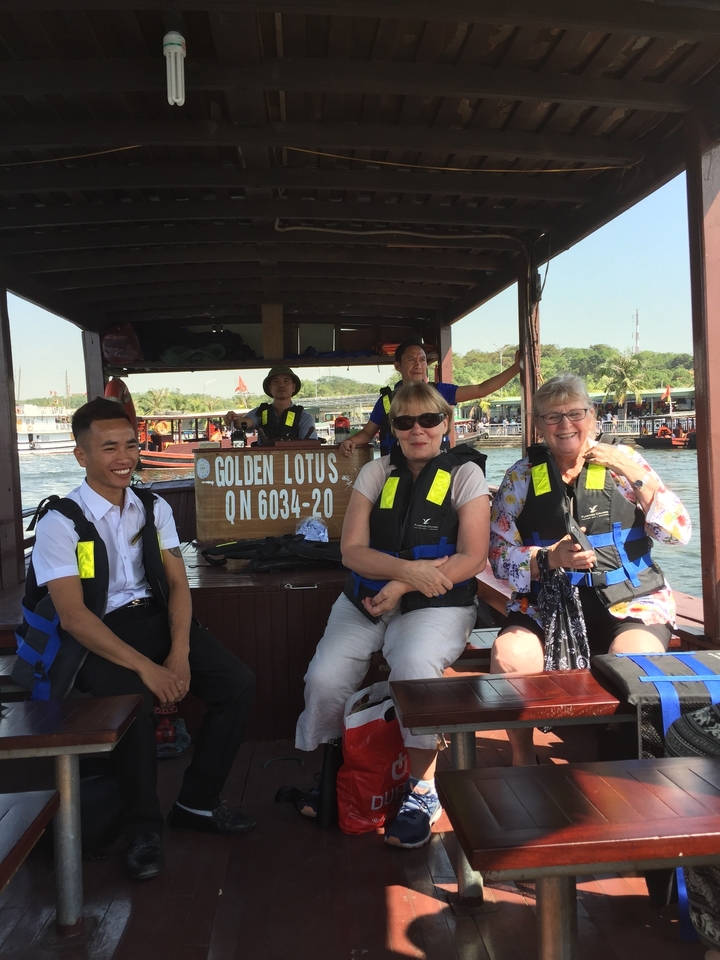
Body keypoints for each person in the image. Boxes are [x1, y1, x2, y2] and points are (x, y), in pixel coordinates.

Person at [21, 398, 257, 880]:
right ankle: (142, 828)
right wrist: (150, 671)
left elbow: (175, 584)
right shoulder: (58, 523)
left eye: (130, 444)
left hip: (153, 616)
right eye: (109, 447)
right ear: (81, 456)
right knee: (135, 706)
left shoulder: (153, 507)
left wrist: (181, 652)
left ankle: (197, 802)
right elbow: (73, 617)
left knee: (237, 683)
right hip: (96, 634)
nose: (124, 456)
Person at [296, 382, 490, 848]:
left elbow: (474, 556)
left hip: (437, 603)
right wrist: (403, 573)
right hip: (367, 599)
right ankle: (336, 766)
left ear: (446, 424)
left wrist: (407, 583)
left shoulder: (465, 475)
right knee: (324, 677)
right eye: (404, 422)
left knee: (413, 667)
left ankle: (423, 789)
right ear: (393, 429)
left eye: (428, 420)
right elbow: (352, 551)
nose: (417, 430)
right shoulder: (376, 473)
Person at [489, 373, 691, 766]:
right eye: (553, 417)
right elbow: (497, 554)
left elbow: (677, 532)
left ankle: (631, 763)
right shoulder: (521, 476)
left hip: (628, 600)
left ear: (593, 416)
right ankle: (522, 755)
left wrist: (632, 472)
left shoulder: (626, 463)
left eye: (575, 413)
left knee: (635, 660)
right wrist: (548, 558)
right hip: (549, 603)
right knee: (510, 654)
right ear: (539, 425)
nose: (565, 425)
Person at [338, 339, 520, 458]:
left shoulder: (439, 392)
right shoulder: (386, 401)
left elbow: (481, 390)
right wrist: (350, 441)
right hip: (396, 471)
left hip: (435, 468)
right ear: (397, 366)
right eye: (411, 360)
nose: (418, 365)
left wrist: (516, 368)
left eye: (423, 360)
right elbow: (368, 433)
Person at [228, 366, 317, 445]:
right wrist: (233, 419)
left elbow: (311, 448)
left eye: (286, 381)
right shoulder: (261, 412)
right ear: (270, 388)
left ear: (293, 387)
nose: (281, 385)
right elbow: (244, 423)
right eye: (276, 381)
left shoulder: (304, 417)